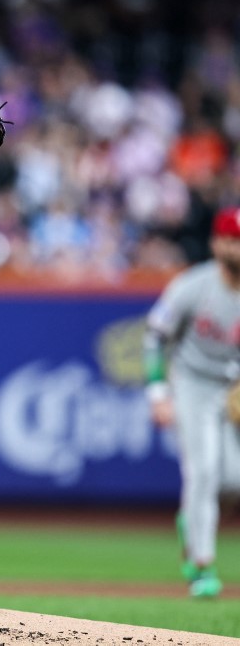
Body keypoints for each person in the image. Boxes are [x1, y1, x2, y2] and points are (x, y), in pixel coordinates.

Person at [146, 207, 240, 599]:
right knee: (202, 473)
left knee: (231, 479)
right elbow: (155, 335)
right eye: (232, 238)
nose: (237, 247)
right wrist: (158, 393)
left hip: (229, 388)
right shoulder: (194, 285)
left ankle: (190, 518)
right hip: (192, 383)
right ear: (216, 243)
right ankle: (201, 565)